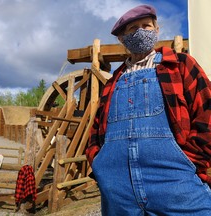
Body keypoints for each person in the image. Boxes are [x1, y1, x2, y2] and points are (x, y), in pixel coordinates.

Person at [85, 4, 211, 215]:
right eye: (133, 28)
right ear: (122, 39)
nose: (141, 31)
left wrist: (191, 162)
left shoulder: (180, 65)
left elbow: (207, 113)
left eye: (146, 25)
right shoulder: (112, 82)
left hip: (176, 183)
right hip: (118, 190)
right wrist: (100, 165)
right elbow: (96, 131)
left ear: (157, 29)